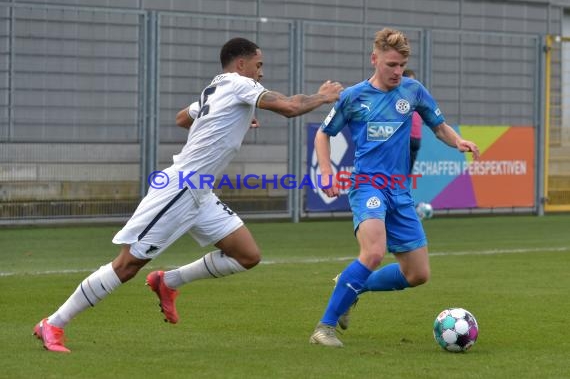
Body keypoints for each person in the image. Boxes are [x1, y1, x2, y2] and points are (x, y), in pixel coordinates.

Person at [34, 37, 343, 353]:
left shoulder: (217, 87)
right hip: (179, 188)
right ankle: (54, 323)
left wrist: (228, 119)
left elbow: (183, 117)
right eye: (259, 65)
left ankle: (167, 282)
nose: (261, 73)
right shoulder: (239, 84)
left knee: (247, 255)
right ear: (241, 64)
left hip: (200, 193)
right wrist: (323, 96)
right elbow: (290, 107)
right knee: (126, 265)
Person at [309, 28, 479, 347]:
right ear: (375, 60)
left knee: (418, 274)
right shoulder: (354, 96)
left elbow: (437, 125)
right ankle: (324, 328)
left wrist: (458, 141)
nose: (397, 71)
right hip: (368, 185)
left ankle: (352, 285)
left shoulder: (413, 91)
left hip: (400, 191)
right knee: (373, 252)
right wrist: (326, 173)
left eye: (401, 65)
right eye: (391, 65)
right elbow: (323, 133)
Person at [403, 69, 423, 175]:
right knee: (399, 173)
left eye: (414, 82)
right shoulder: (400, 96)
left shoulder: (418, 96)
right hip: (406, 139)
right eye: (409, 81)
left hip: (416, 139)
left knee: (406, 175)